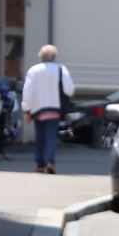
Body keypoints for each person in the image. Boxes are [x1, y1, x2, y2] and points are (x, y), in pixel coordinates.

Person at [21, 44, 74, 174]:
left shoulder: (33, 70)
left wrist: (27, 110)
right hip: (54, 108)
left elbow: (28, 91)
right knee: (51, 136)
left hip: (37, 109)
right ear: (54, 57)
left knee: (39, 136)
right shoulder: (61, 69)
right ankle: (50, 161)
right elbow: (69, 89)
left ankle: (39, 164)